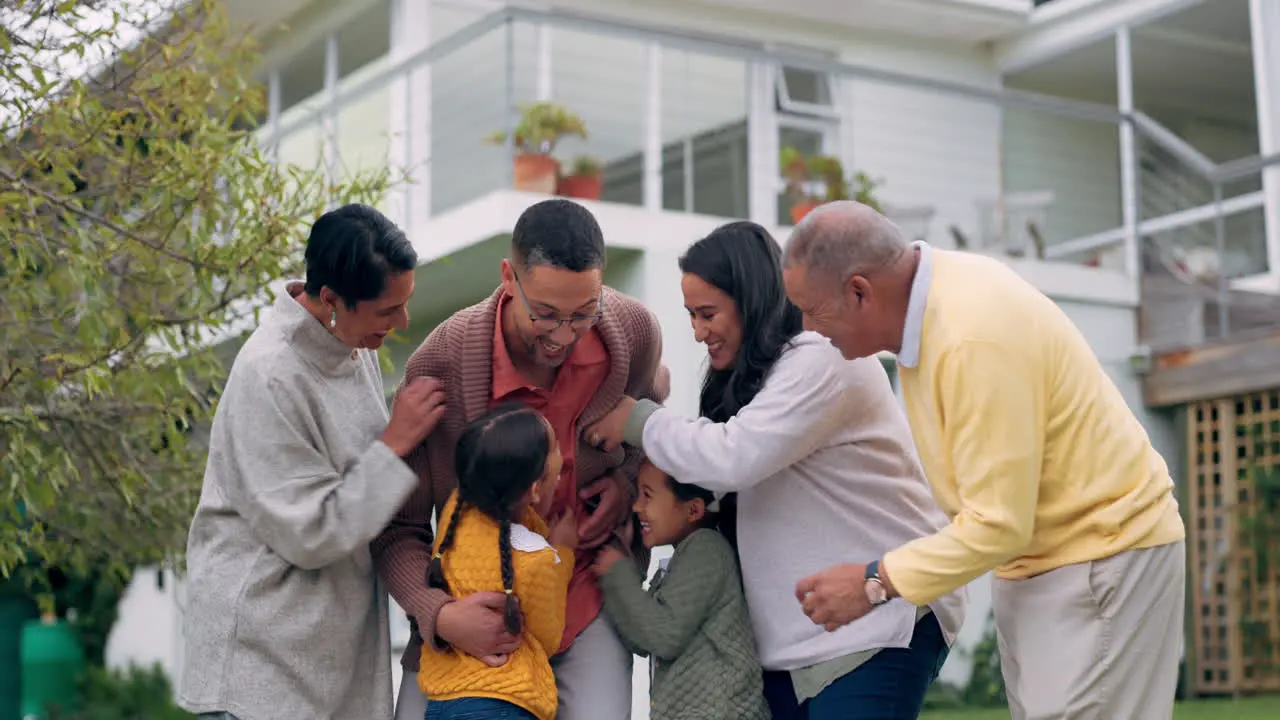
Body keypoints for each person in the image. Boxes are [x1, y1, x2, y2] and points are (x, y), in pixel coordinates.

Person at [779, 201, 1187, 720]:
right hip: (1042, 564)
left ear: (860, 291)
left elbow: (998, 524)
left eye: (812, 310)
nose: (809, 329)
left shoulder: (971, 335)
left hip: (1104, 554)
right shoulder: (925, 317)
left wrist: (873, 583)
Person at [585, 221, 965, 720]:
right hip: (796, 645)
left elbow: (731, 457)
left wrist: (636, 419)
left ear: (752, 299)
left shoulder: (823, 358)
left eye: (708, 313)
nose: (698, 332)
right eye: (691, 316)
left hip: (874, 625)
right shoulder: (758, 380)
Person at [374, 198, 670, 720]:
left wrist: (626, 482)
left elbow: (646, 437)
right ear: (508, 277)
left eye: (584, 313)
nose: (563, 335)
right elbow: (400, 528)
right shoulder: (440, 365)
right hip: (472, 614)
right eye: (546, 314)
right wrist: (438, 615)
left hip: (585, 598)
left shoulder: (634, 333)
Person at [179, 204, 446, 720]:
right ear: (330, 299)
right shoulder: (269, 375)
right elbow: (312, 532)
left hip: (323, 656)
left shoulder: (349, 340)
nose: (402, 321)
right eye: (387, 311)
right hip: (261, 666)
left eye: (404, 304)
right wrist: (395, 442)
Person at [420, 404, 578, 720]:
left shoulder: (455, 510)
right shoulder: (537, 561)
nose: (563, 453)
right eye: (555, 446)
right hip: (505, 704)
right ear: (535, 488)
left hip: (444, 700)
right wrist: (564, 552)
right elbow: (548, 637)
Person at [592, 459, 769, 720]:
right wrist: (621, 571)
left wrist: (618, 574)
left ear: (693, 510)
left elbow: (664, 636)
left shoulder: (706, 549)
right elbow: (642, 639)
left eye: (647, 495)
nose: (636, 506)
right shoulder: (681, 560)